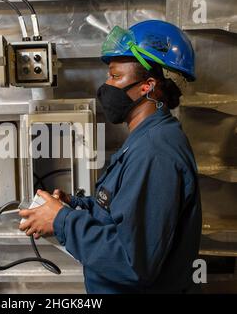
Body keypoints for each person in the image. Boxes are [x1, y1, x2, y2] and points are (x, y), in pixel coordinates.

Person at [19, 20, 202, 294]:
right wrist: (76, 206)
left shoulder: (155, 152)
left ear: (147, 86)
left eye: (115, 77)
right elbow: (123, 213)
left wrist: (61, 220)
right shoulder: (145, 138)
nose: (106, 85)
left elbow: (133, 262)